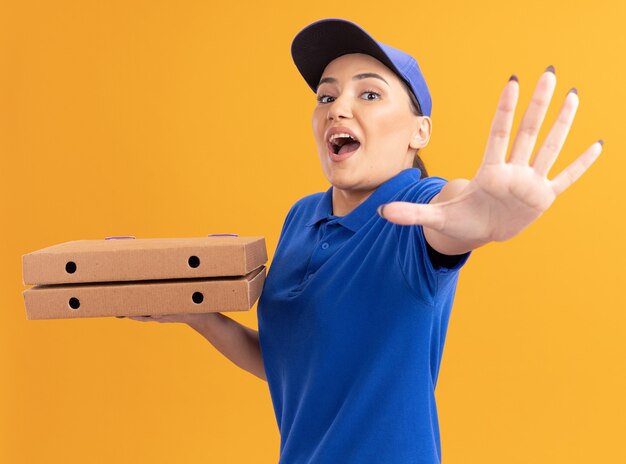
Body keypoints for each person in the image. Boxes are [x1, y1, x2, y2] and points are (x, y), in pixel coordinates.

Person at [128, 18, 602, 464]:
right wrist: (199, 316)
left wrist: (478, 214)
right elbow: (294, 367)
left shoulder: (418, 212)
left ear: (420, 131)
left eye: (370, 93)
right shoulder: (301, 217)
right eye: (325, 97)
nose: (338, 107)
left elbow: (451, 216)